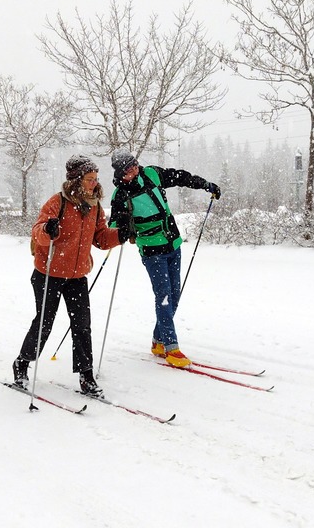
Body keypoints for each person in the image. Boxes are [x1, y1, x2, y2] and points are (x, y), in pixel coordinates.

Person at [12, 154, 127, 397]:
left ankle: (86, 376)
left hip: (77, 276)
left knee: (82, 326)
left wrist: (120, 234)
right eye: (89, 178)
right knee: (44, 323)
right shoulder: (58, 202)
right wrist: (47, 229)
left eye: (96, 178)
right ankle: (22, 363)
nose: (94, 183)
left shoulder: (94, 206)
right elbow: (37, 233)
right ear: (76, 180)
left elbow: (101, 238)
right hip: (48, 273)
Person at [108, 152, 220, 369]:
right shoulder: (120, 195)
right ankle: (171, 347)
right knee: (164, 296)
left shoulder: (151, 174)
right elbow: (115, 225)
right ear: (120, 173)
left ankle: (158, 341)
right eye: (128, 169)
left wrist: (205, 185)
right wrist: (123, 229)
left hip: (173, 244)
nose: (134, 170)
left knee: (174, 295)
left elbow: (179, 177)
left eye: (134, 165)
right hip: (152, 251)